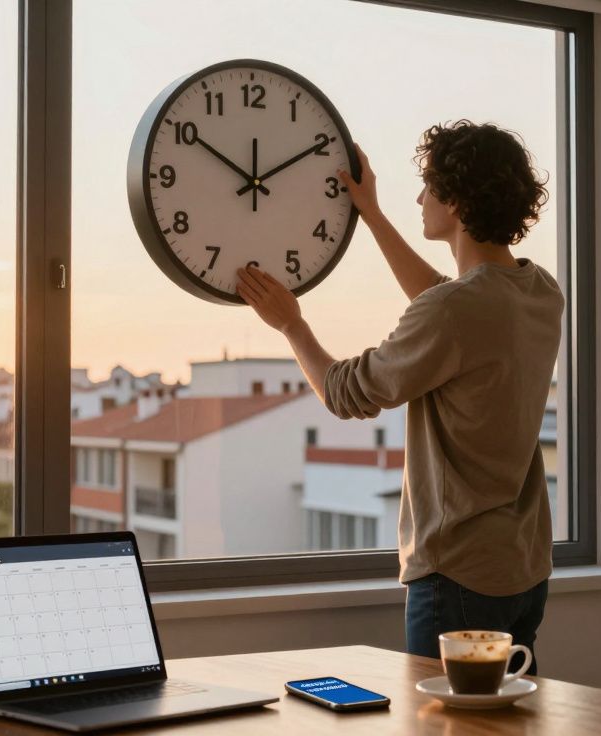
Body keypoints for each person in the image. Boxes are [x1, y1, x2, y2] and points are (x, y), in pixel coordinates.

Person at [235, 120, 563, 673]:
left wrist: (291, 325)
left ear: (455, 201)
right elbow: (449, 300)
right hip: (523, 570)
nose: (419, 197)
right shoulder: (538, 290)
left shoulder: (455, 312)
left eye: (429, 186)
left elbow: (345, 393)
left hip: (459, 576)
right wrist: (372, 214)